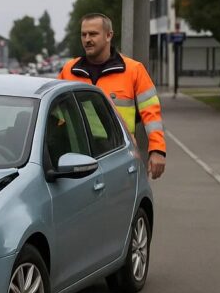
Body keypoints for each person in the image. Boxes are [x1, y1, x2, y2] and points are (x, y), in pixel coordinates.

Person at [59, 13, 166, 180]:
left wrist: (157, 150)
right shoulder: (69, 70)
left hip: (120, 157)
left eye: (93, 34)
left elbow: (152, 114)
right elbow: (56, 114)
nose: (87, 39)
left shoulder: (133, 70)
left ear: (109, 35)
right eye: (83, 34)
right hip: (77, 161)